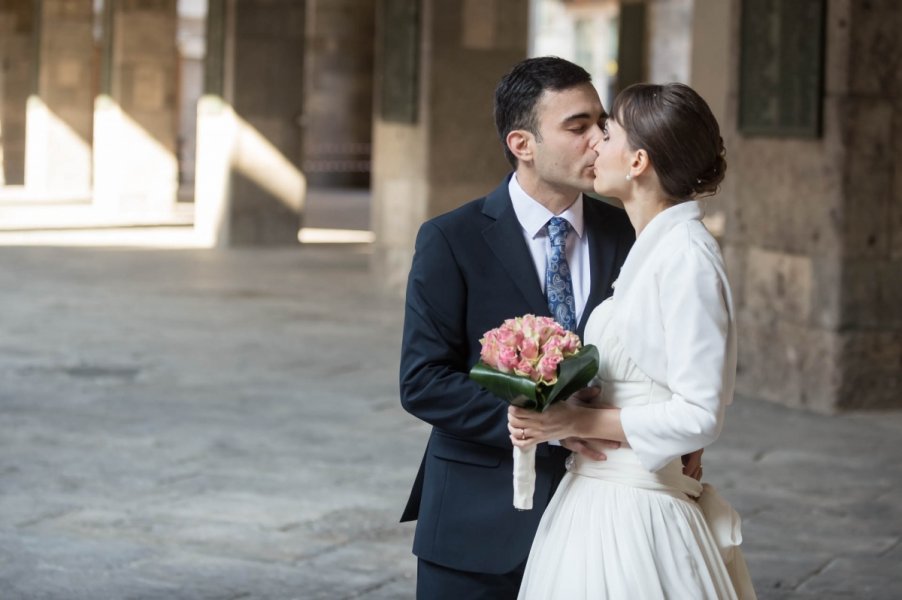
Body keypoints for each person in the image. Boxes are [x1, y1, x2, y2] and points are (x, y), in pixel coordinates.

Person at [398, 57, 638, 599]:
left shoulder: (625, 232)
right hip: (476, 523)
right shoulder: (450, 240)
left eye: (601, 124)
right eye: (577, 127)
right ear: (522, 144)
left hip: (604, 515)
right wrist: (542, 421)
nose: (599, 140)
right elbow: (423, 380)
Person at [509, 82, 757, 599]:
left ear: (639, 160)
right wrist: (560, 401)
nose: (595, 145)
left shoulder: (686, 256)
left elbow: (699, 415)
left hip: (638, 511)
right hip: (599, 496)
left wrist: (577, 421)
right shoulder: (652, 247)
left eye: (607, 132)